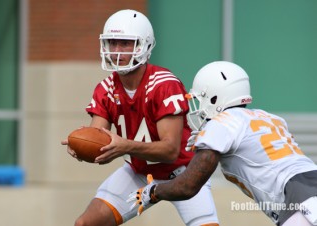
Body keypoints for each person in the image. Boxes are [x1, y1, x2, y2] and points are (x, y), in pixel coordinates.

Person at [61, 9, 219, 226]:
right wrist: (82, 146)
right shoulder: (106, 88)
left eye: (125, 43)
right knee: (86, 224)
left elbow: (170, 151)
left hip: (183, 172)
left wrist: (125, 146)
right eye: (113, 43)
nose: (117, 50)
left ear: (144, 45)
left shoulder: (164, 84)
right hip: (139, 171)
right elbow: (98, 139)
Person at [128, 61, 317, 226]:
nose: (198, 107)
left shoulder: (222, 122)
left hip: (299, 194)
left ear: (214, 97)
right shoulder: (269, 118)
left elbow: (188, 186)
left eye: (200, 98)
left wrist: (154, 191)